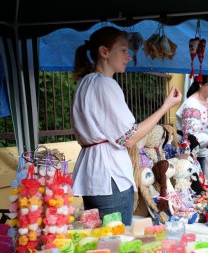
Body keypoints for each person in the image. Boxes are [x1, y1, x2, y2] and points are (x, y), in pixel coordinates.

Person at [71, 26, 182, 226]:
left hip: (92, 174)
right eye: (123, 50)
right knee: (116, 240)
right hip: (110, 176)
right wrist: (165, 106)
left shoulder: (84, 83)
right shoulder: (105, 84)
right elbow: (129, 137)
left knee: (97, 241)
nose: (128, 56)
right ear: (104, 52)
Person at [175, 75, 208, 174]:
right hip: (187, 153)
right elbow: (190, 135)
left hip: (201, 152)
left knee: (201, 181)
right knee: (192, 182)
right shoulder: (190, 105)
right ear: (200, 84)